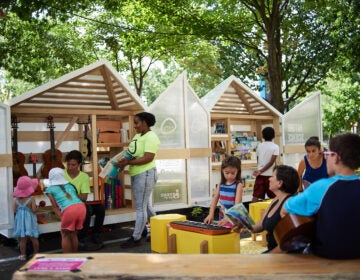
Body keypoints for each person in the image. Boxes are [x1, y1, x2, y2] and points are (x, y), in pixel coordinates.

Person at [282, 133, 360, 259]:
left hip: (328, 254)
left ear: (335, 157)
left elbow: (286, 208)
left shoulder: (321, 187)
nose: (326, 158)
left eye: (327, 154)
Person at [115, 112, 160, 248]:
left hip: (145, 174)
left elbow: (148, 158)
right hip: (137, 174)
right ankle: (160, 230)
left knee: (140, 207)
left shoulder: (151, 137)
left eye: (137, 123)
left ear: (145, 123)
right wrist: (123, 162)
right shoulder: (137, 136)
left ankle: (136, 237)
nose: (134, 126)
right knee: (145, 206)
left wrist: (128, 163)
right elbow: (131, 154)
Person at [239, 165, 299, 253]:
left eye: (272, 176)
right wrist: (246, 227)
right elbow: (261, 224)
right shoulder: (276, 199)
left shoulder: (288, 205)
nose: (269, 179)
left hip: (283, 256)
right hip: (272, 252)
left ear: (280, 183)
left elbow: (290, 243)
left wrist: (268, 256)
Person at [64, 150, 105, 250]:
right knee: (87, 209)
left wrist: (71, 194)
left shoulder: (84, 176)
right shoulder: (61, 174)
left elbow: (84, 197)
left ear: (79, 164)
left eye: (73, 165)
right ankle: (80, 240)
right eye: (68, 164)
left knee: (100, 208)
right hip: (66, 205)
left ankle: (96, 235)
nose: (70, 167)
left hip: (78, 203)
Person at [44, 167, 86, 253]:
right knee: (73, 233)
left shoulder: (49, 189)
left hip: (69, 210)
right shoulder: (70, 185)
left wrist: (62, 217)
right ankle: (75, 256)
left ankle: (67, 258)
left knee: (64, 234)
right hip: (82, 207)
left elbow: (55, 207)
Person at [204, 156, 243, 226]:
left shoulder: (238, 185)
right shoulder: (220, 184)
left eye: (233, 173)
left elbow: (237, 206)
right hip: (222, 216)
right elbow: (214, 200)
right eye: (227, 173)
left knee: (231, 235)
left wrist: (227, 219)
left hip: (233, 217)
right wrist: (211, 214)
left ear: (238, 171)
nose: (229, 176)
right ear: (222, 171)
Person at [12, 176, 40, 260]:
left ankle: (23, 255)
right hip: (30, 221)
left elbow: (14, 210)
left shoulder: (15, 200)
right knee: (33, 237)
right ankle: (36, 254)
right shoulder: (31, 199)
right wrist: (37, 208)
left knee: (22, 239)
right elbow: (34, 210)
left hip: (20, 221)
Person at [252, 127, 279, 202]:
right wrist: (261, 171)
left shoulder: (259, 145)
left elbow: (258, 159)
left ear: (263, 136)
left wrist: (260, 170)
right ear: (274, 136)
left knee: (256, 195)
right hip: (270, 175)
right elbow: (271, 162)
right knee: (274, 196)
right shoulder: (275, 147)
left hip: (260, 175)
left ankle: (252, 212)